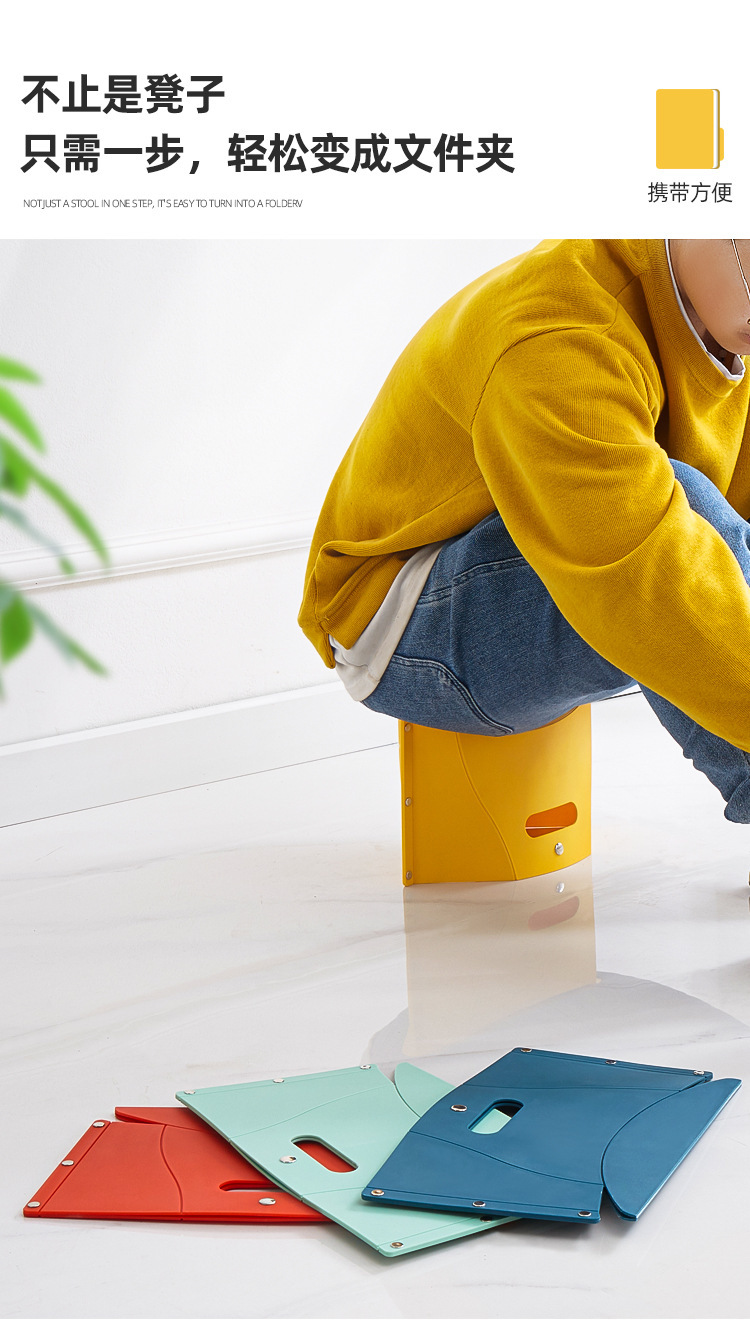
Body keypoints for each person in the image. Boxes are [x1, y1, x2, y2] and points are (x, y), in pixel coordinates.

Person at [298, 240, 750, 822]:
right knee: (681, 514)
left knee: (680, 522)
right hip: (401, 632)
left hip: (542, 575)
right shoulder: (561, 331)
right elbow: (652, 585)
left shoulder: (721, 312)